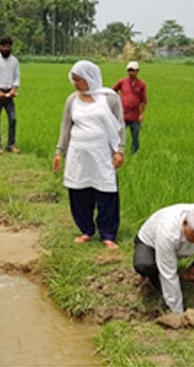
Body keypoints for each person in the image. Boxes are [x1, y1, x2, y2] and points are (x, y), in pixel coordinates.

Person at [52, 60, 125, 250]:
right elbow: (66, 126)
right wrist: (59, 152)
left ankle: (108, 234)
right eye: (74, 80)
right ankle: (86, 230)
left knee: (106, 192)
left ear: (90, 78)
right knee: (79, 191)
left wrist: (119, 150)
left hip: (102, 153)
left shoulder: (109, 98)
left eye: (79, 80)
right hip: (78, 153)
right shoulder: (72, 100)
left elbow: (119, 125)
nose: (76, 84)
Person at [112, 61, 147, 154]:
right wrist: (116, 102)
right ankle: (117, 152)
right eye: (129, 70)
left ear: (138, 71)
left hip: (135, 116)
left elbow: (143, 101)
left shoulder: (141, 84)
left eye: (133, 70)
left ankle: (134, 153)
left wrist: (142, 114)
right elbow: (113, 91)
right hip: (122, 114)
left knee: (135, 135)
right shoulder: (122, 82)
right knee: (119, 135)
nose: (131, 72)